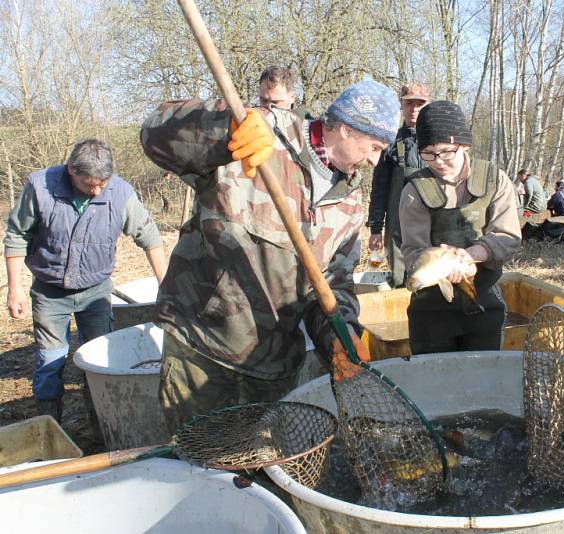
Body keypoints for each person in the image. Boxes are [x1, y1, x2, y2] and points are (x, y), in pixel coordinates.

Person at [140, 80, 398, 432]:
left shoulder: (350, 204)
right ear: (347, 128)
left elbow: (332, 287)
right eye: (374, 147)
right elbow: (154, 134)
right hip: (203, 348)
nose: (374, 160)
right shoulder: (261, 133)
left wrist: (339, 334)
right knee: (201, 465)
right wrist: (222, 129)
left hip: (274, 366)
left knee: (260, 473)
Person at [4, 139, 167, 422]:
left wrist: (166, 288)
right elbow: (17, 236)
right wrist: (15, 288)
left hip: (96, 291)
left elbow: (151, 239)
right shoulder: (40, 187)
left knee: (99, 358)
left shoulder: (121, 194)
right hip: (49, 291)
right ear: (70, 171)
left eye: (102, 183)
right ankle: (49, 421)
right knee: (50, 359)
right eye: (89, 184)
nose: (97, 189)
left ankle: (99, 420)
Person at [398, 101, 521, 354]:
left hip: (483, 301)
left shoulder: (494, 179)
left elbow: (508, 236)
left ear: (464, 144)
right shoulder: (414, 191)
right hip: (430, 310)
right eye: (428, 154)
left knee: (482, 380)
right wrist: (442, 266)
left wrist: (471, 256)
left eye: (446, 151)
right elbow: (412, 251)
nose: (438, 161)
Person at [367, 82, 430, 287]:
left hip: (432, 222)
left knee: (430, 276)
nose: (414, 109)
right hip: (397, 226)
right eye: (409, 103)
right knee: (400, 280)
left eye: (419, 104)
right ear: (401, 107)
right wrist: (376, 228)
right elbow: (379, 188)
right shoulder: (390, 141)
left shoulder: (437, 139)